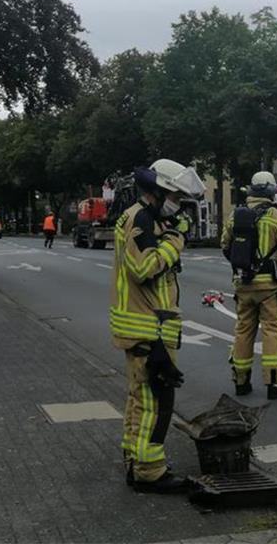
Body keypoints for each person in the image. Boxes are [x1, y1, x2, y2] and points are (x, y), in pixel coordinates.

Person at [110, 158, 205, 494]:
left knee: (140, 399)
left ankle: (135, 459)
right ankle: (150, 471)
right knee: (156, 401)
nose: (177, 204)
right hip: (148, 328)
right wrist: (175, 240)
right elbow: (144, 268)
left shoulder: (147, 216)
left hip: (146, 325)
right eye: (175, 197)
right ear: (158, 190)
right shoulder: (141, 218)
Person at [220, 171, 277, 400]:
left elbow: (225, 246)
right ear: (271, 192)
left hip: (243, 284)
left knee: (243, 330)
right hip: (270, 287)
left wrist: (244, 269)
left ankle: (241, 381)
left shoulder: (236, 216)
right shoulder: (276, 215)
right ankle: (276, 384)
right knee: (272, 331)